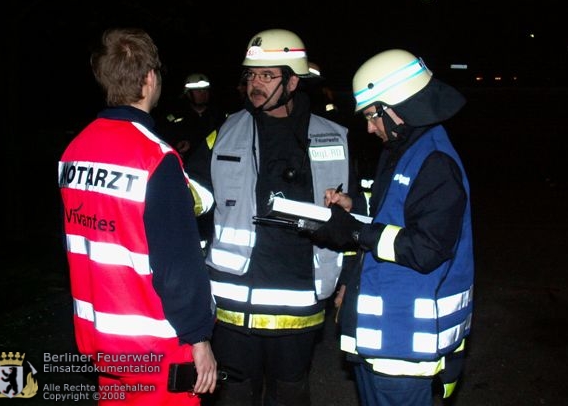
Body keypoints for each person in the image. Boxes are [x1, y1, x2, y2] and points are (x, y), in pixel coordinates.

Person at [185, 28, 365, 406]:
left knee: (290, 393)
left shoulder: (335, 138)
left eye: (267, 76)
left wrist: (349, 277)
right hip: (232, 306)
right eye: (251, 75)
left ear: (293, 81)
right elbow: (194, 199)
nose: (256, 84)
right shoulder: (224, 134)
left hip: (299, 305)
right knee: (234, 394)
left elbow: (357, 221)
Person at [58, 27, 217, 405]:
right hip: (156, 347)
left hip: (102, 340)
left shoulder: (74, 151)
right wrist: (199, 336)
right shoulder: (155, 159)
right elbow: (177, 264)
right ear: (150, 79)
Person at [310, 49, 474, 405]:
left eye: (372, 115)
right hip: (383, 339)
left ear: (402, 105)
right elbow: (394, 216)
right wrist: (355, 208)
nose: (369, 127)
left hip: (405, 353)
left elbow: (426, 248)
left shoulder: (435, 162)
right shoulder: (403, 149)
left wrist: (354, 232)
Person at [157, 72, 227, 160]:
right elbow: (163, 139)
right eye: (198, 91)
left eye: (205, 90)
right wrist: (176, 145)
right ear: (188, 94)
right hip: (187, 165)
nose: (203, 93)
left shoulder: (218, 116)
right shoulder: (175, 117)